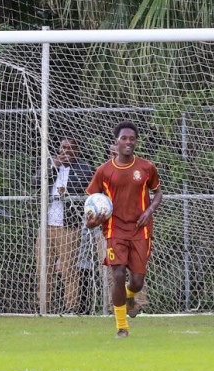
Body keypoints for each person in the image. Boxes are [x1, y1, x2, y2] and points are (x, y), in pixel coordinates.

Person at [86, 120, 163, 338]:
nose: (128, 142)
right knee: (118, 275)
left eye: (132, 139)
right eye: (124, 138)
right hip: (114, 229)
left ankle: (129, 296)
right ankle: (122, 327)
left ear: (136, 142)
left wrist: (149, 211)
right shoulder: (104, 171)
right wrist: (91, 221)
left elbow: (158, 193)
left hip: (140, 230)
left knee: (137, 282)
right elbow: (92, 201)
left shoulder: (146, 167)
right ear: (116, 142)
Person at [32, 138, 94, 313]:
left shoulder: (84, 168)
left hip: (68, 227)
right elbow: (34, 182)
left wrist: (67, 191)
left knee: (68, 271)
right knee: (43, 270)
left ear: (77, 150)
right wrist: (54, 165)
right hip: (46, 226)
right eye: (63, 148)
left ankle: (71, 308)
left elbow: (90, 187)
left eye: (70, 148)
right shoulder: (51, 165)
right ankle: (43, 307)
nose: (65, 151)